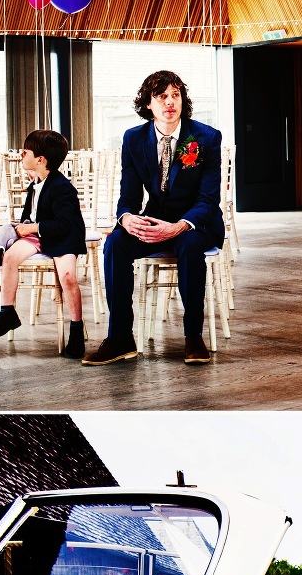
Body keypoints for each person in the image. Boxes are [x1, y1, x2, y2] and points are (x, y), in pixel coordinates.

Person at [82, 70, 224, 367]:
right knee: (116, 243)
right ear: (148, 104)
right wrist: (126, 218)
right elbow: (129, 194)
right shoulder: (134, 139)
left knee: (188, 245)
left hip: (196, 223)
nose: (170, 102)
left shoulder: (206, 137)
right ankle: (120, 338)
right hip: (156, 219)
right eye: (161, 97)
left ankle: (193, 337)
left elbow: (209, 199)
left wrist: (179, 226)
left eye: (176, 95)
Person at [0, 130, 87, 358]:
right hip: (40, 234)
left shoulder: (63, 188)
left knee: (67, 276)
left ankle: (76, 330)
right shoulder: (37, 182)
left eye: (25, 151)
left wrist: (32, 227)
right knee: (9, 257)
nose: (20, 155)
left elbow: (65, 224)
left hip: (62, 235)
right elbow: (31, 212)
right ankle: (7, 312)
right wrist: (26, 227)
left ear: (41, 159)